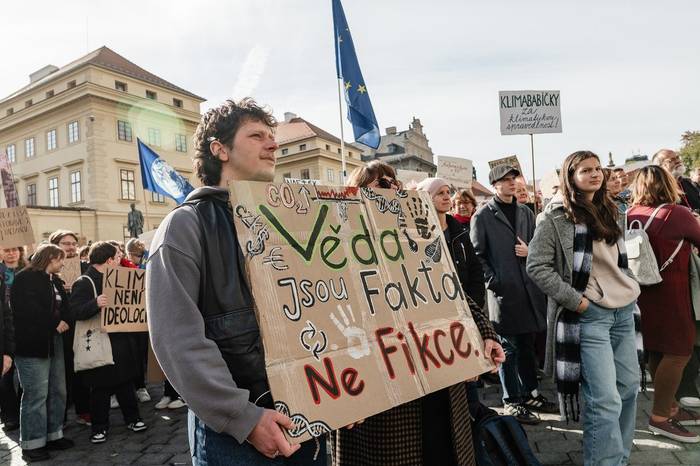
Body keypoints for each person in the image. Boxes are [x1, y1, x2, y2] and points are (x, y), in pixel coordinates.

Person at [147, 98, 322, 465]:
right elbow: (178, 339)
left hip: (310, 413)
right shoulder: (185, 226)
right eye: (257, 136)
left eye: (272, 136)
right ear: (220, 149)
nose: (272, 145)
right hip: (238, 435)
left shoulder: (288, 221)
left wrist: (346, 393)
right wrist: (243, 417)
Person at [334, 168, 505, 466]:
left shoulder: (417, 236)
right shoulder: (339, 246)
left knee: (443, 451)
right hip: (384, 386)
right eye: (382, 183)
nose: (393, 188)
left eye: (395, 183)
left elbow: (450, 289)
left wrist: (484, 333)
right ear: (357, 193)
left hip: (438, 377)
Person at [527, 150, 641, 465]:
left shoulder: (611, 209)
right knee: (604, 399)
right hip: (590, 316)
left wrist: (630, 285)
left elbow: (620, 261)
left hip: (623, 311)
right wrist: (576, 301)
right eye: (585, 170)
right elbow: (536, 266)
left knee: (629, 388)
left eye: (597, 169)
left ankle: (619, 458)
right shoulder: (555, 217)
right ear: (570, 177)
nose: (594, 174)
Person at [470, 165, 556, 424]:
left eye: (513, 178)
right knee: (508, 348)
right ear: (495, 185)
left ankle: (530, 394)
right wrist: (495, 281)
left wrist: (530, 252)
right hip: (504, 294)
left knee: (527, 345)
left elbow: (537, 244)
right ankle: (512, 401)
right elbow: (477, 256)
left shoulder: (525, 212)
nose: (511, 183)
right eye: (505, 180)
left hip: (529, 289)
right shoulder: (482, 215)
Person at [627, 166, 700, 442]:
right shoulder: (676, 213)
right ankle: (660, 417)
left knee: (657, 350)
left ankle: (669, 406)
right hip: (672, 292)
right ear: (668, 184)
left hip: (641, 293)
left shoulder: (630, 213)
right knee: (680, 352)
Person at [69, 241, 147, 444]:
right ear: (109, 259)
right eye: (117, 256)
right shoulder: (84, 282)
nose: (120, 259)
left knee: (125, 383)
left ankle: (133, 419)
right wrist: (95, 303)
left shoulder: (120, 277)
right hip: (99, 342)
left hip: (121, 341)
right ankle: (99, 427)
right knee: (100, 388)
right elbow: (75, 312)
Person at [12, 244, 74, 462]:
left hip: (54, 341)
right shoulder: (24, 279)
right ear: (50, 258)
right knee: (36, 394)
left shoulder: (54, 280)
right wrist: (54, 323)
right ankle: (32, 443)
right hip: (32, 344)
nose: (63, 263)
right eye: (60, 259)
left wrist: (64, 320)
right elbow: (27, 310)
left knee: (58, 390)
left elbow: (65, 306)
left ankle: (54, 434)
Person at [0, 246, 25, 431]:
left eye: (14, 249)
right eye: (6, 250)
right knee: (5, 374)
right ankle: (9, 414)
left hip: (24, 326)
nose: (11, 253)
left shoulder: (28, 270)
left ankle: (23, 411)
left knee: (26, 371)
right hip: (4, 326)